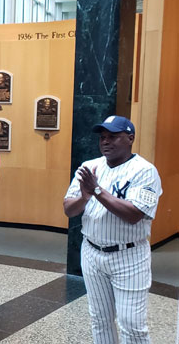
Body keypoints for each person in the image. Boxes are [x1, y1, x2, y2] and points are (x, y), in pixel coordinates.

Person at [63, 115, 162, 344]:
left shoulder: (145, 171)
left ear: (130, 138)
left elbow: (134, 215)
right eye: (103, 137)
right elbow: (69, 209)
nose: (106, 141)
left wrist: (97, 191)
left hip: (128, 256)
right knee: (100, 319)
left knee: (132, 326)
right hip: (92, 252)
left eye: (113, 137)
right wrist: (85, 197)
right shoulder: (89, 167)